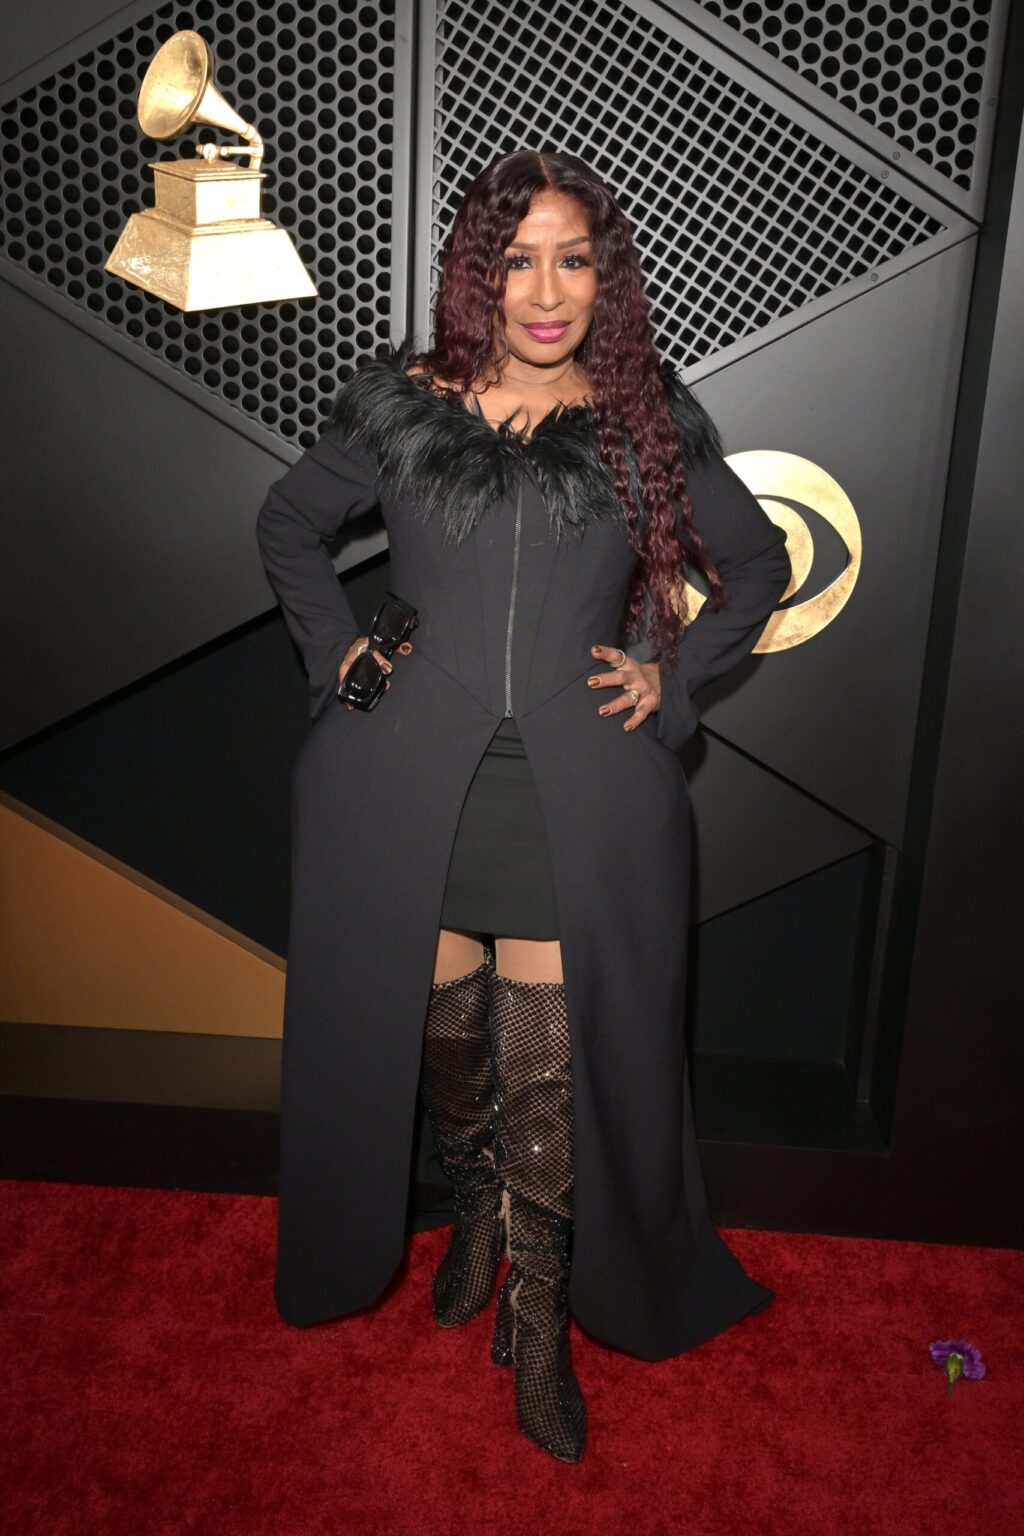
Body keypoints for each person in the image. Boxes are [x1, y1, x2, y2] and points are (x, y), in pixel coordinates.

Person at [255, 149, 792, 1464]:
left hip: (579, 792)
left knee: (550, 1065)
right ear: (477, 275)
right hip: (402, 783)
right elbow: (287, 522)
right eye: (516, 260)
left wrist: (673, 678)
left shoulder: (642, 417)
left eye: (572, 259)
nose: (544, 291)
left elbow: (762, 560)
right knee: (443, 1043)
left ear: (604, 276)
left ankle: (541, 1315)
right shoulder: (404, 404)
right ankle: (478, 1210)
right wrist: (339, 656)